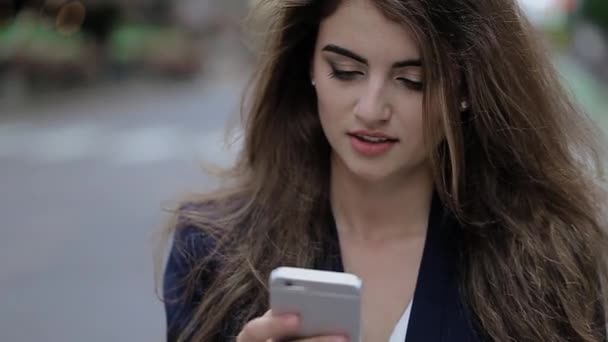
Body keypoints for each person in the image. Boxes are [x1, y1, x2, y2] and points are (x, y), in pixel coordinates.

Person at [161, 0, 608, 341]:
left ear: (469, 88)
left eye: (413, 81)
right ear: (308, 67)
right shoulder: (210, 252)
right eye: (345, 71)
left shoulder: (555, 262)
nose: (371, 110)